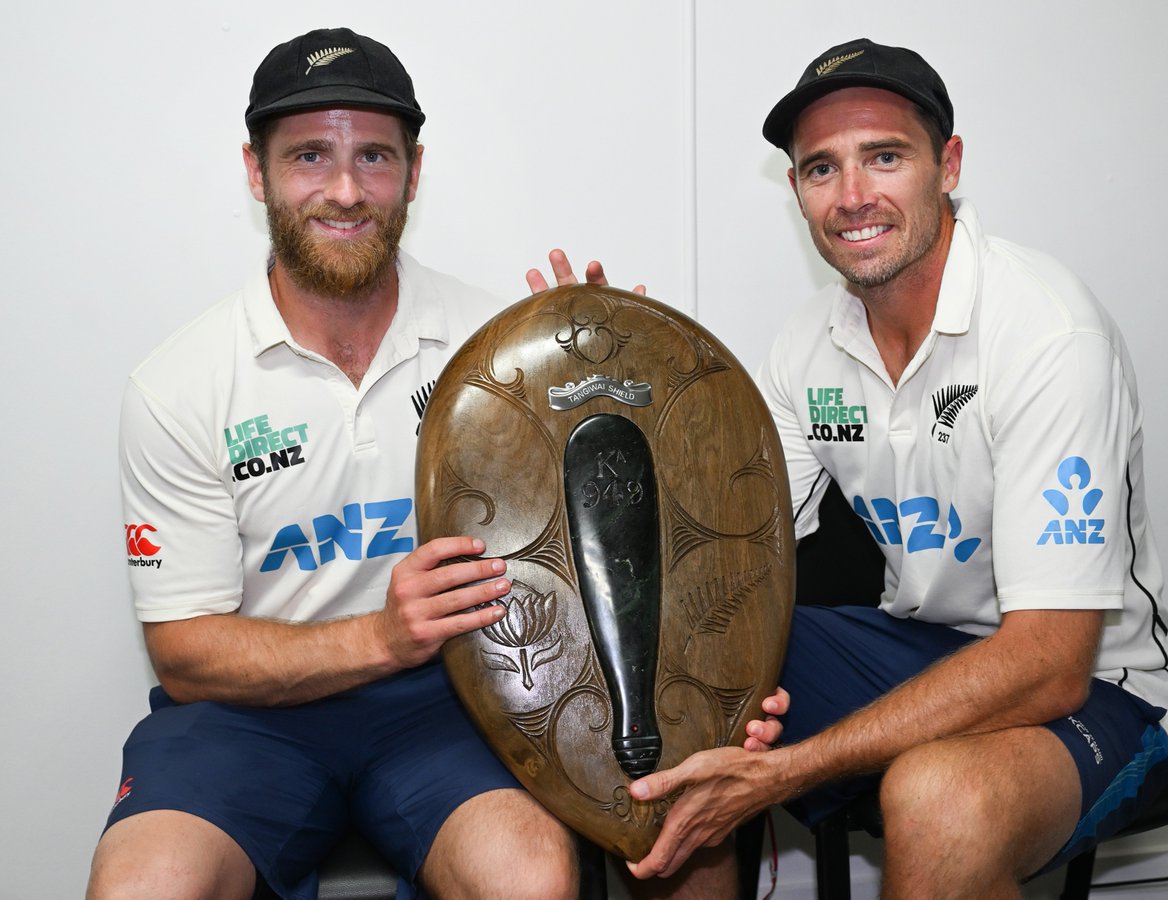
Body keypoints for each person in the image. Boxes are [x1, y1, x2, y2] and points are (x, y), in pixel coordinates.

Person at [87, 27, 781, 900]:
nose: (344, 190)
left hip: (450, 705)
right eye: (310, 155)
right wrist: (379, 637)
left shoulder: (502, 351)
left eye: (374, 156)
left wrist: (618, 381)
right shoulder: (178, 384)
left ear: (413, 172)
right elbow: (184, 652)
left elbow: (618, 545)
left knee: (530, 880)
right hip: (245, 722)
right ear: (256, 172)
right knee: (142, 889)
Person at [607, 38, 1168, 897]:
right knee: (665, 678)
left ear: (947, 165)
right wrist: (626, 396)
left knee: (938, 797)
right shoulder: (808, 342)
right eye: (820, 168)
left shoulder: (1047, 333)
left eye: (884, 157)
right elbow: (713, 548)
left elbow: (1050, 661)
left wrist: (784, 771)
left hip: (1097, 684)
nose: (852, 197)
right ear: (798, 190)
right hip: (916, 647)